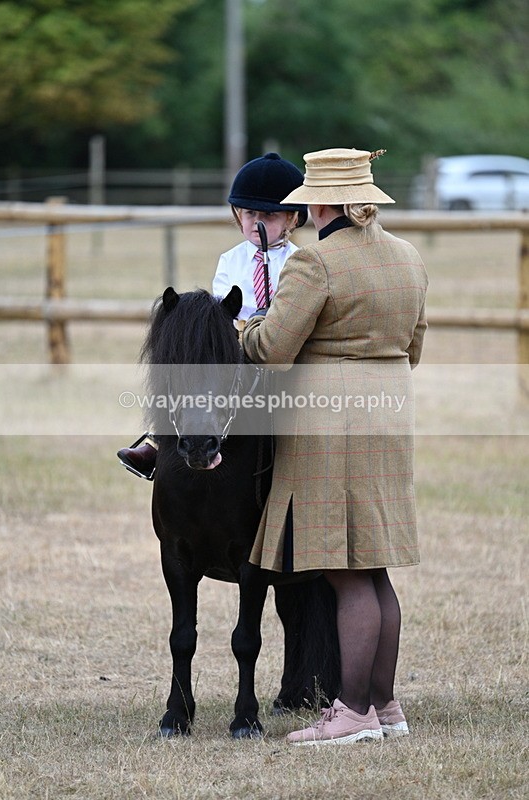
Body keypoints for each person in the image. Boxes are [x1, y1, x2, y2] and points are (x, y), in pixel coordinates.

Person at [241, 147, 428, 745]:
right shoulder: (408, 257)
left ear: (318, 203)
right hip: (389, 417)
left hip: (328, 426)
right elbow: (414, 348)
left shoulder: (314, 264)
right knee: (374, 571)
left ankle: (350, 713)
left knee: (345, 574)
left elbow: (274, 350)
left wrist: (241, 329)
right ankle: (384, 706)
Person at [117, 152, 307, 479]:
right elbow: (221, 313)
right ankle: (160, 441)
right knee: (192, 375)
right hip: (239, 348)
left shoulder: (301, 262)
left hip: (282, 349)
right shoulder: (230, 260)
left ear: (291, 218)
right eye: (250, 213)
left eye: (270, 215)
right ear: (237, 214)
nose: (258, 222)